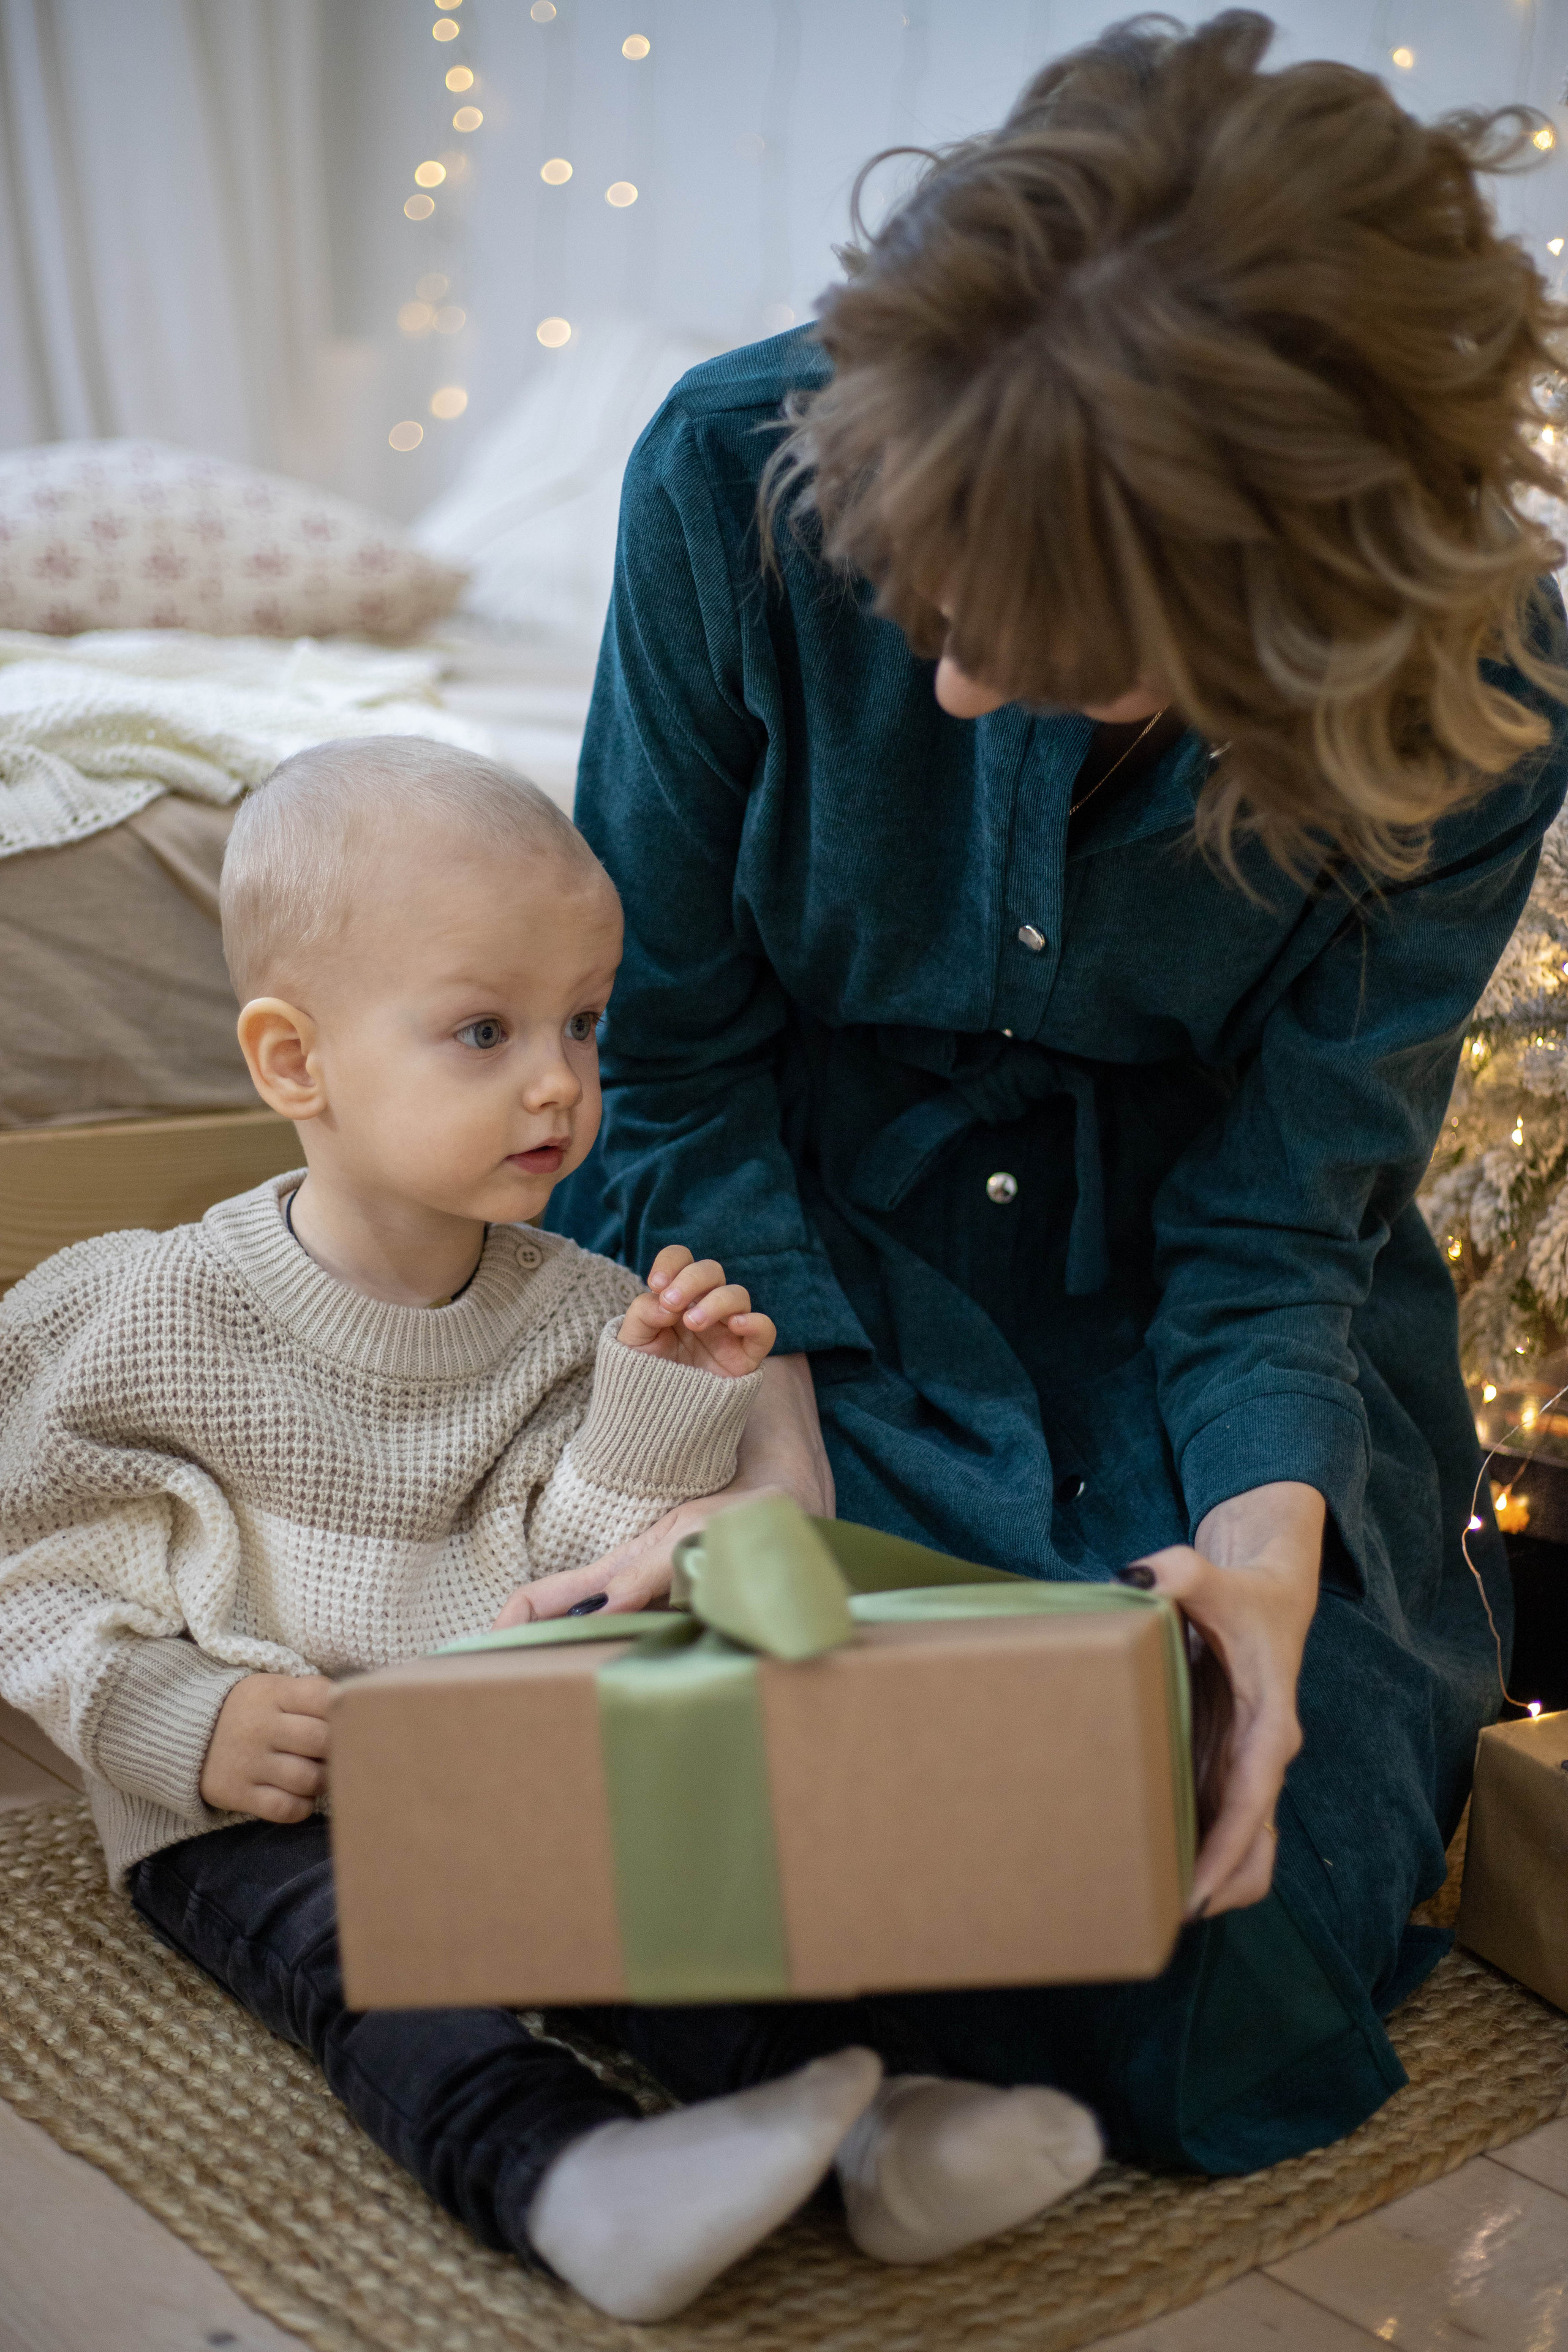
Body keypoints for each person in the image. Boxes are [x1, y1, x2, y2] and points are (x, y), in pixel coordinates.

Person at [537, 10, 1568, 2172]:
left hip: (1196, 1312)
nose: (955, 688)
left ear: (1294, 619)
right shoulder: (731, 470)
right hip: (794, 1260)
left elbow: (1284, 1214)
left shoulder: (1486, 683)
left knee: (1240, 1869)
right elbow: (676, 1053)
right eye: (928, 604)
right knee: (744, 1787)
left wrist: (1262, 1562)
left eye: (1056, 645)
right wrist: (768, 1455)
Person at [0, 736, 1108, 2326]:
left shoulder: (577, 1310)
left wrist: (648, 1412)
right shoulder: (147, 1315)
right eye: (483, 1031)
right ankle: (563, 2172)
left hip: (485, 1737)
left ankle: (880, 2124)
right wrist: (178, 1715)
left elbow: (547, 1588)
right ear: (293, 1062)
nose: (559, 1083)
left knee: (670, 1891)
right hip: (250, 1788)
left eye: (584, 1025)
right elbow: (32, 1562)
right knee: (366, 1950)